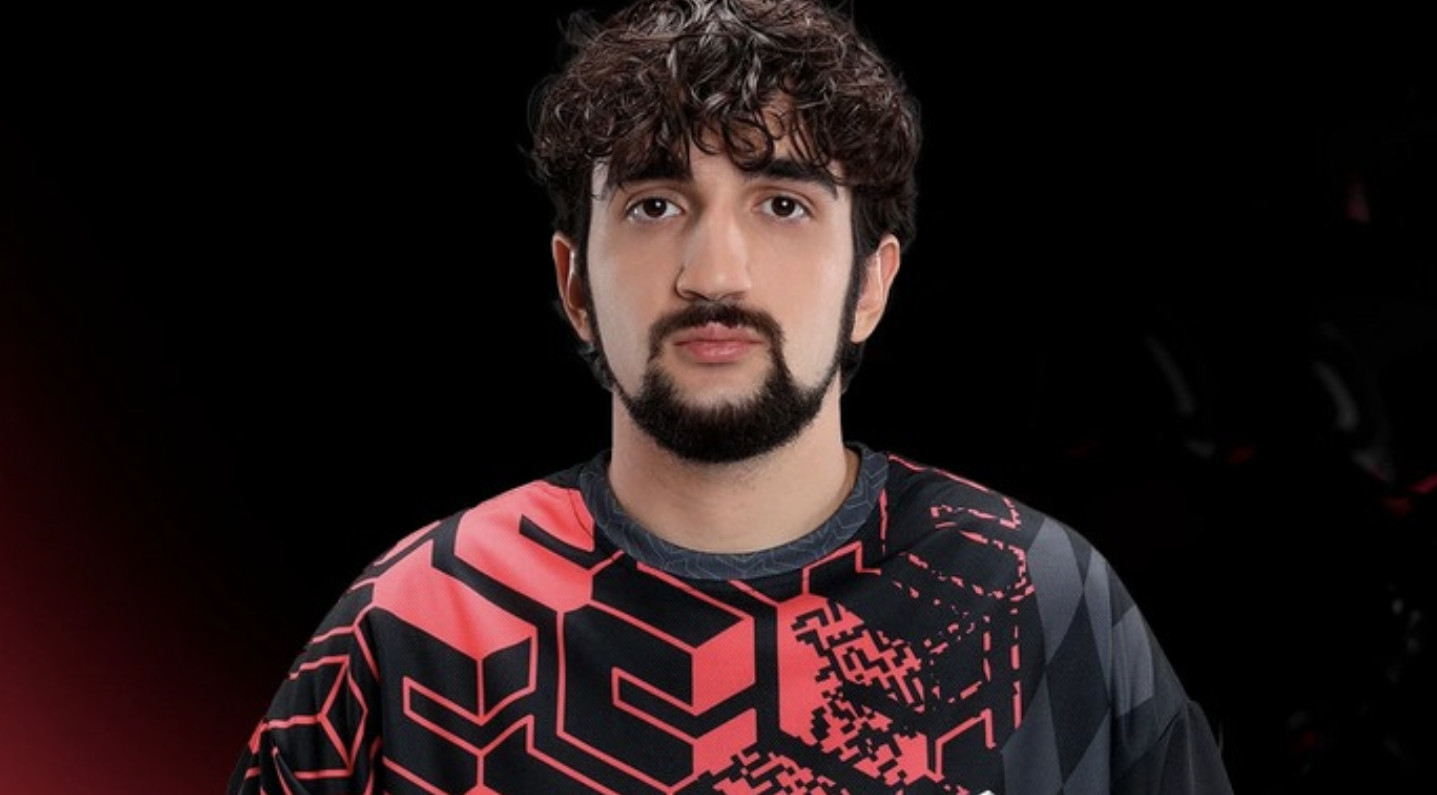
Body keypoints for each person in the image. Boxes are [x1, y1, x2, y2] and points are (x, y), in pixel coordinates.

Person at [227, 0, 1235, 792]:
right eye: (655, 203)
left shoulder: (1038, 600)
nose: (715, 272)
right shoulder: (419, 624)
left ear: (871, 283)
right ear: (574, 284)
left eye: (783, 203)